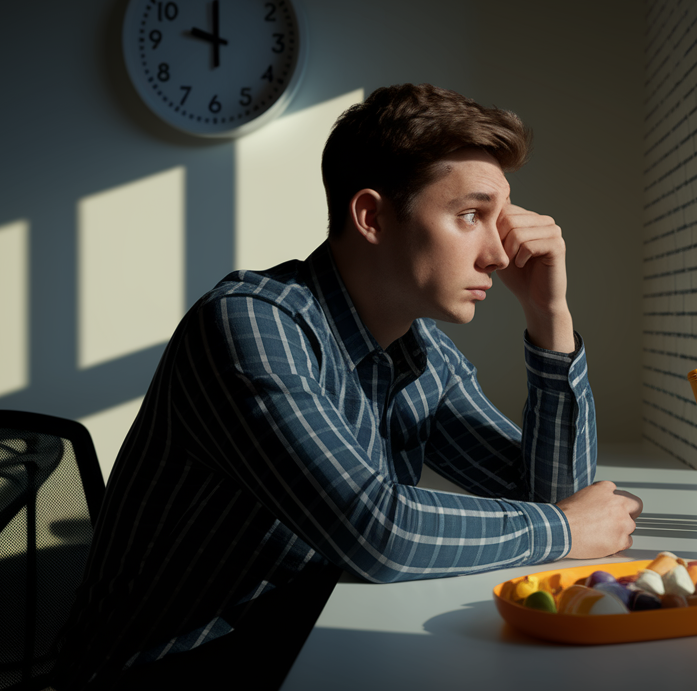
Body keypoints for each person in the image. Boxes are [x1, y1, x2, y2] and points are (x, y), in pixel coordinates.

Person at [53, 84, 643, 690]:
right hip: (162, 668)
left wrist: (552, 320)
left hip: (297, 638)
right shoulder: (248, 325)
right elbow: (376, 531)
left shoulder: (423, 353)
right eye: (471, 215)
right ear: (371, 217)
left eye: (500, 219)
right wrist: (563, 529)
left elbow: (553, 494)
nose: (498, 252)